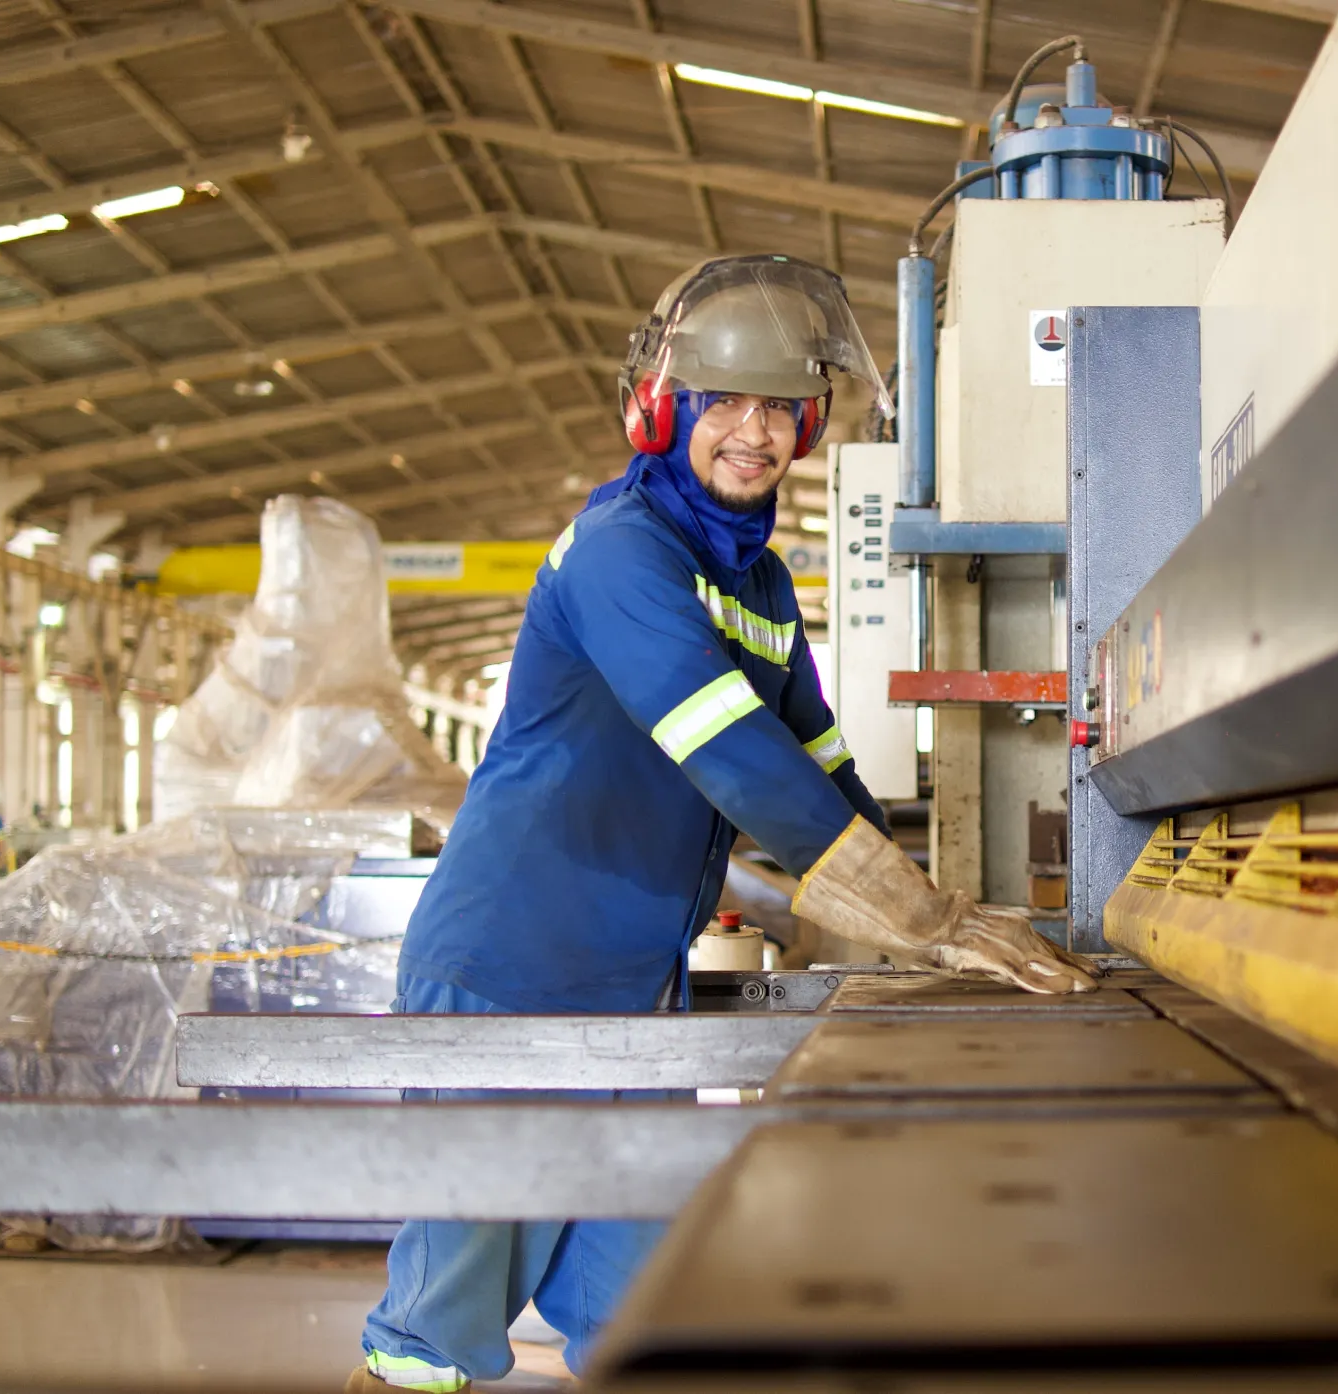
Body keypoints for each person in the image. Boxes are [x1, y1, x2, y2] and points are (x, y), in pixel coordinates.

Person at [350, 256, 1098, 1393]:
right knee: (437, 1339)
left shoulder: (756, 585)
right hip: (508, 972)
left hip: (631, 993)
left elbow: (819, 762)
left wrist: (928, 924)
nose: (753, 433)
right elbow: (732, 753)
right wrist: (921, 917)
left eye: (779, 408)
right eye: (724, 403)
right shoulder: (619, 552)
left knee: (651, 1313)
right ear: (665, 408)